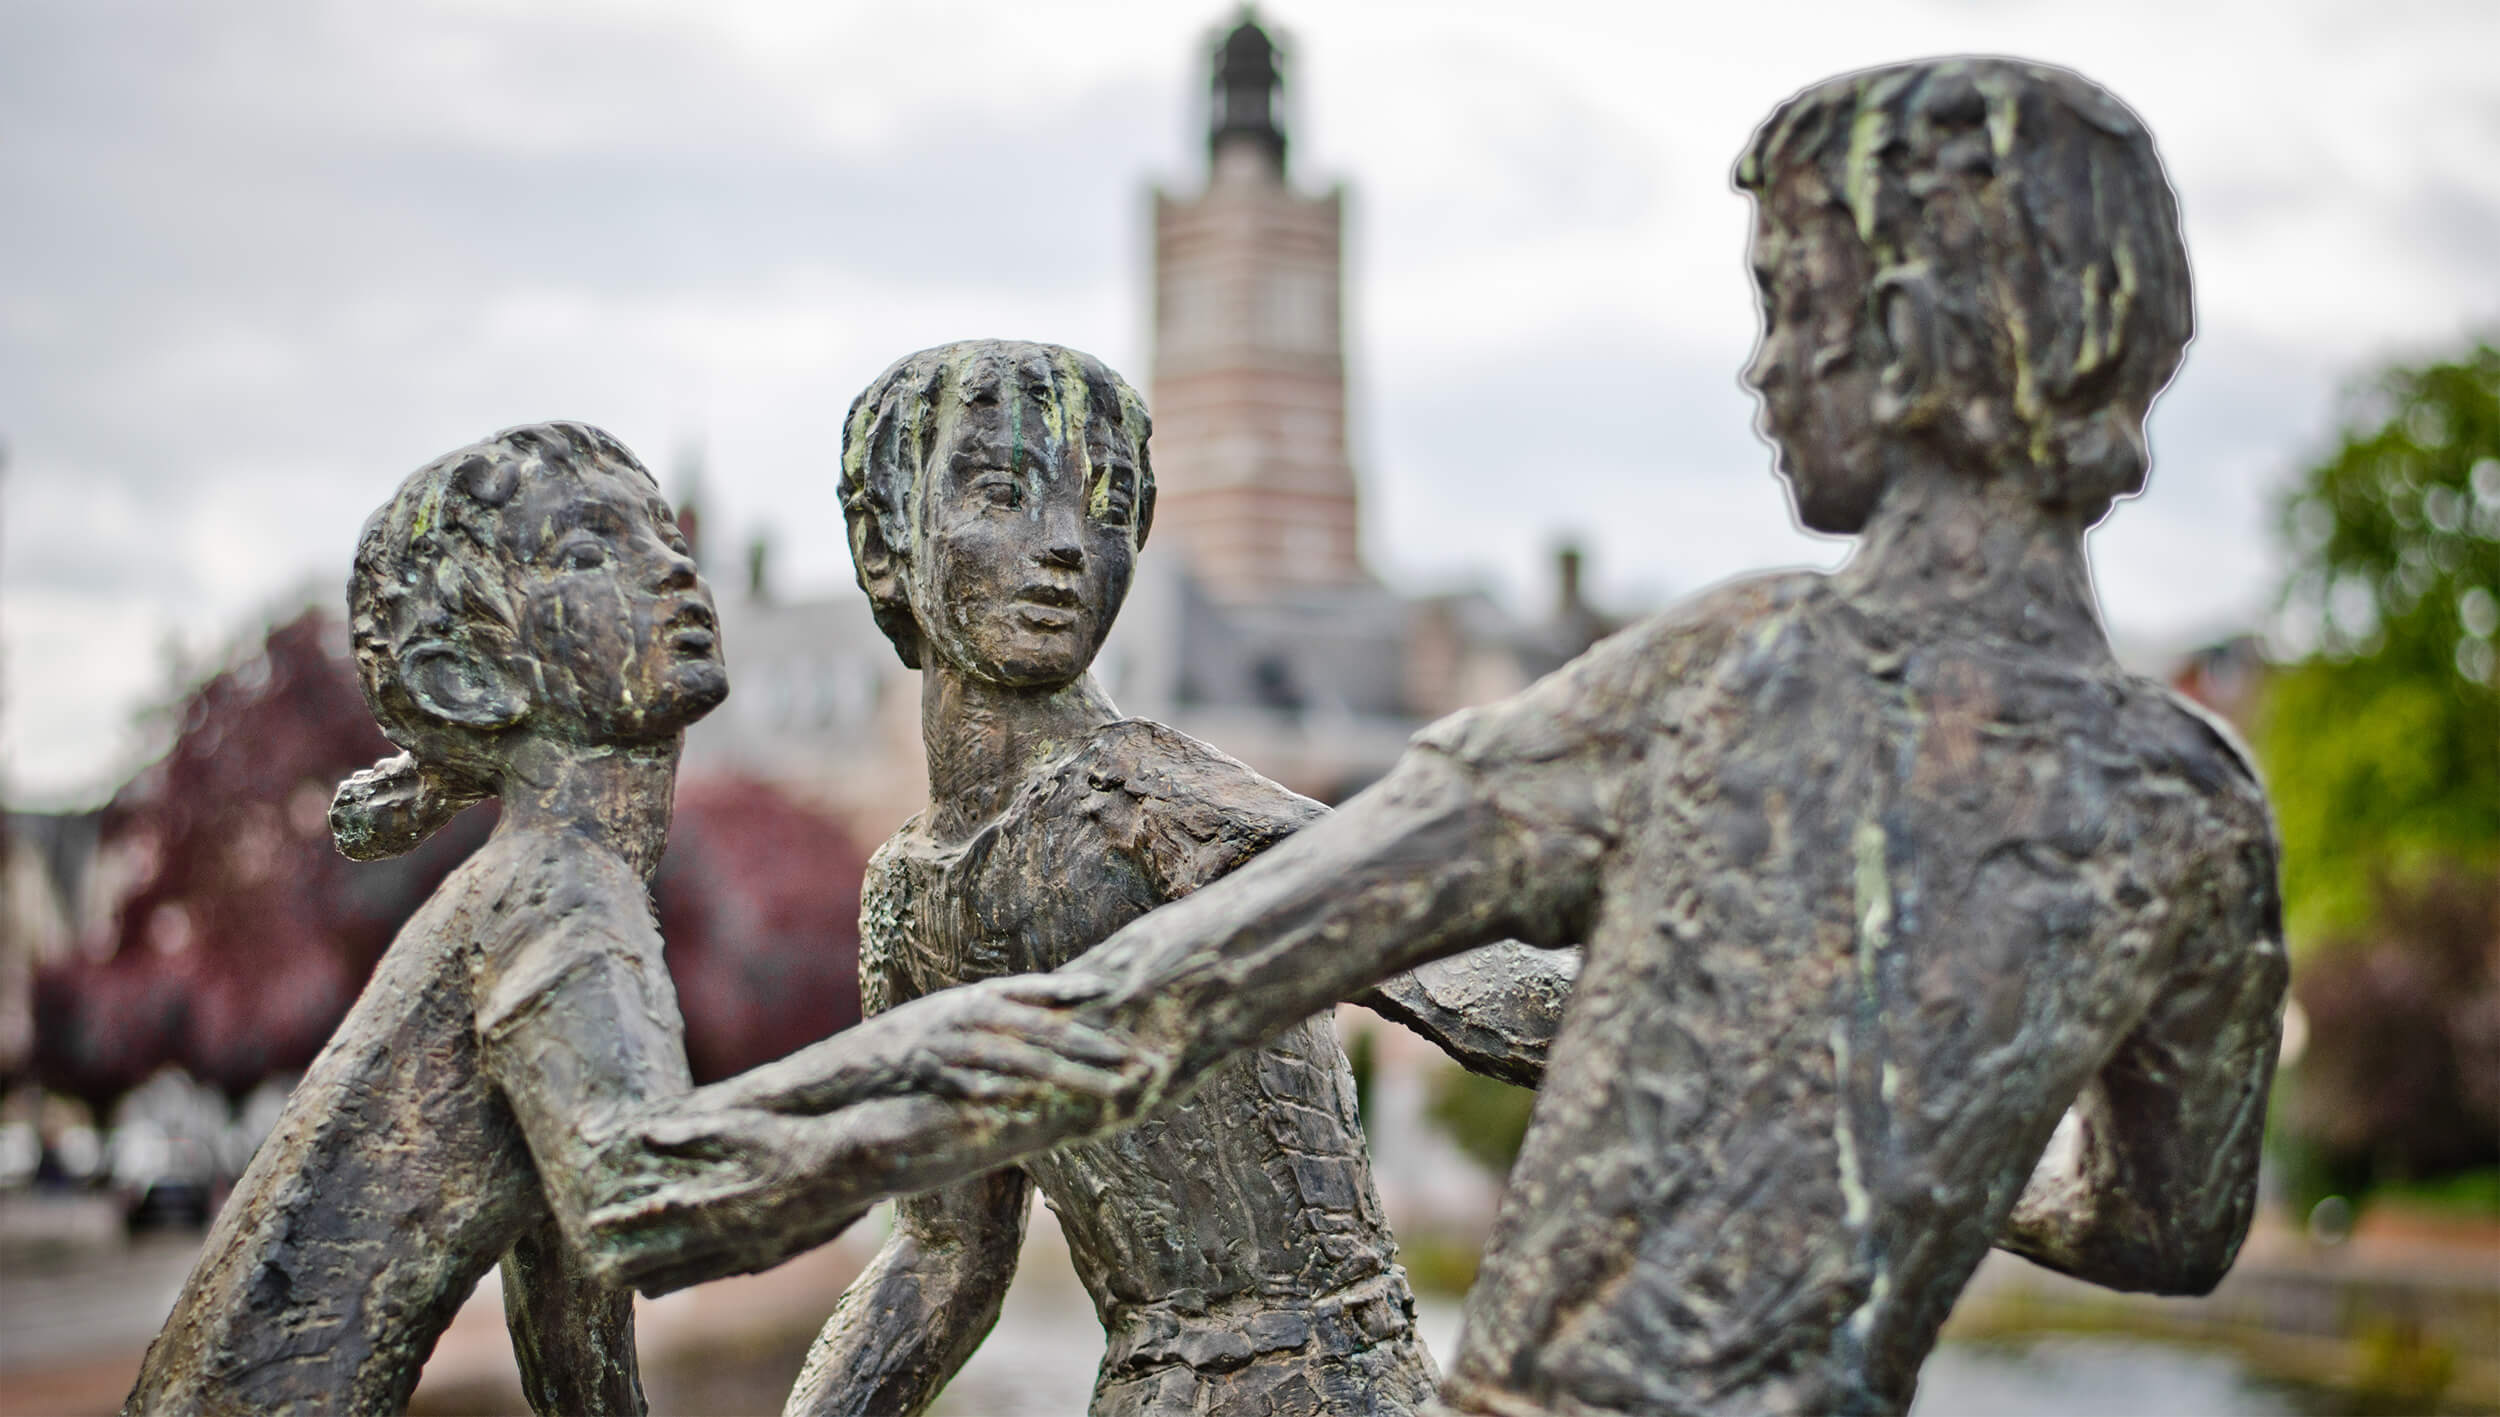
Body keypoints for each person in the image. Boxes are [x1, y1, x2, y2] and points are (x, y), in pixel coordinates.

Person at [970, 59, 2288, 1415]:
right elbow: (2168, 1235)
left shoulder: (1740, 669)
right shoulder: (2196, 803)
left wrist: (832, 1140)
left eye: (1787, 307)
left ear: (1900, 335)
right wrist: (1924, 1142)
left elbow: (1153, 997)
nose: (1760, 368)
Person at [125, 423, 1137, 1417]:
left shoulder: (560, 887)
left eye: (664, 533)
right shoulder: (553, 891)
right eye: (586, 553)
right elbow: (643, 1202)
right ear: (462, 676)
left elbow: (571, 1327)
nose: (668, 568)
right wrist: (975, 1063)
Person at [786, 340, 1578, 1417]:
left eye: (1108, 508)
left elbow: (1480, 981)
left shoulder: (1159, 804)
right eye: (1004, 493)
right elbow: (944, 1256)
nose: (1065, 542)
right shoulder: (907, 898)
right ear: (884, 544)